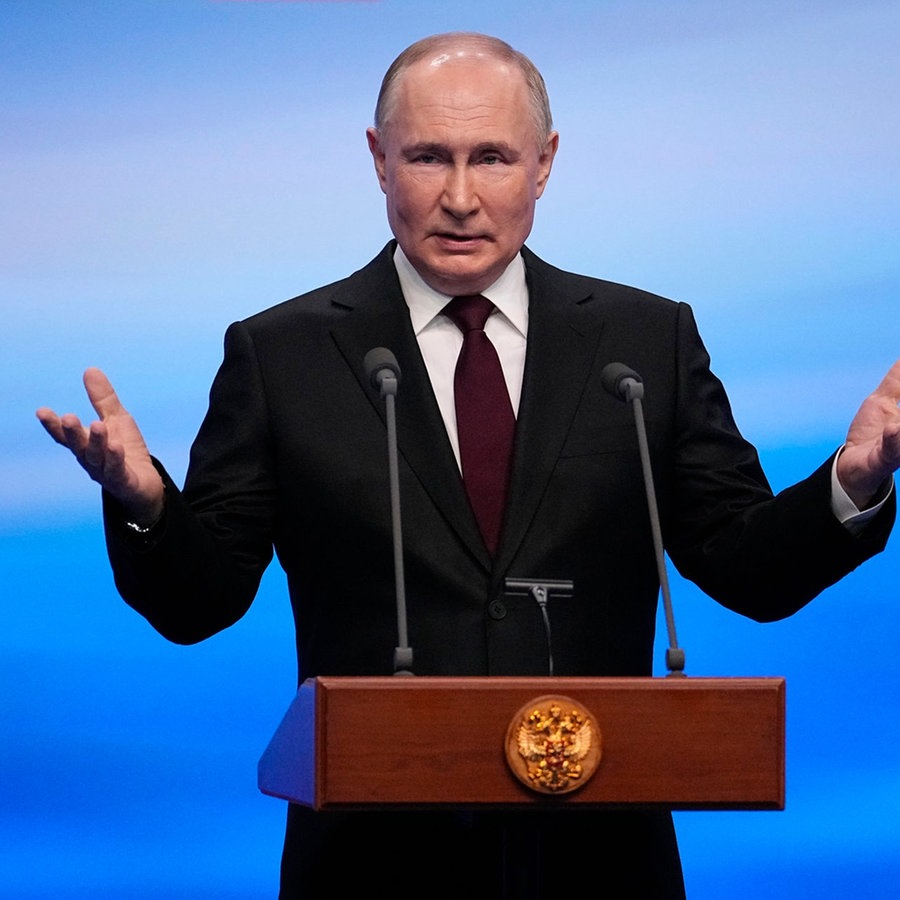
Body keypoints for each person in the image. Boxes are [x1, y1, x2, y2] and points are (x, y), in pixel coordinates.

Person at [37, 32, 899, 900]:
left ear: (544, 163)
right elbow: (202, 600)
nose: (460, 198)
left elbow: (745, 565)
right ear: (378, 161)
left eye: (491, 157)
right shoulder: (282, 355)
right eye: (427, 157)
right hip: (371, 869)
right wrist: (147, 503)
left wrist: (851, 484)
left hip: (601, 866)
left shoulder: (645, 343)